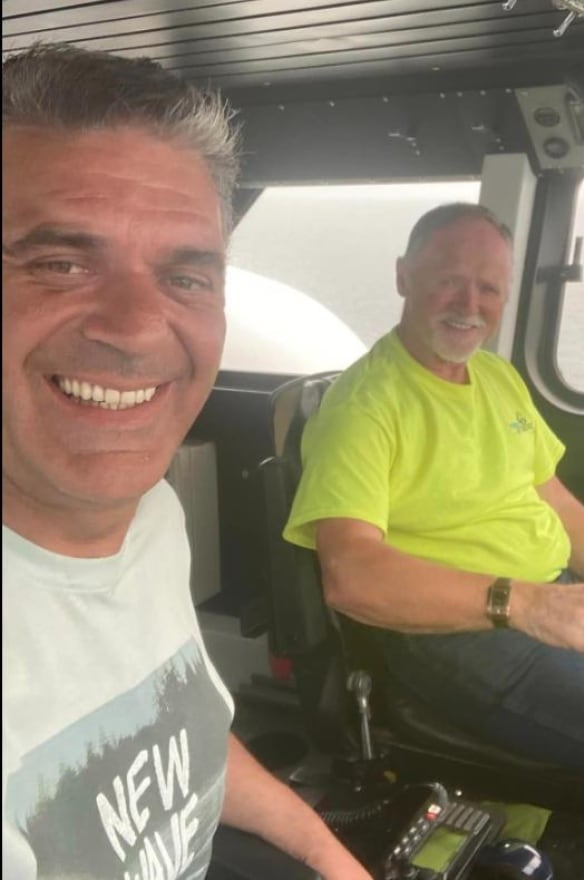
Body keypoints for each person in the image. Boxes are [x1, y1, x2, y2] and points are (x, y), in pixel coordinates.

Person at [284, 202, 584, 831]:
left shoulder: (494, 377)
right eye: (448, 279)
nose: (469, 302)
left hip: (553, 594)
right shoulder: (365, 405)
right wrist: (528, 605)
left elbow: (557, 503)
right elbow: (351, 575)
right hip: (459, 636)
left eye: (488, 287)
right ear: (404, 276)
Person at [2, 43, 372, 880]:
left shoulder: (150, 518)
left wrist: (329, 856)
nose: (136, 327)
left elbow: (177, 741)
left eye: (187, 276)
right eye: (59, 263)